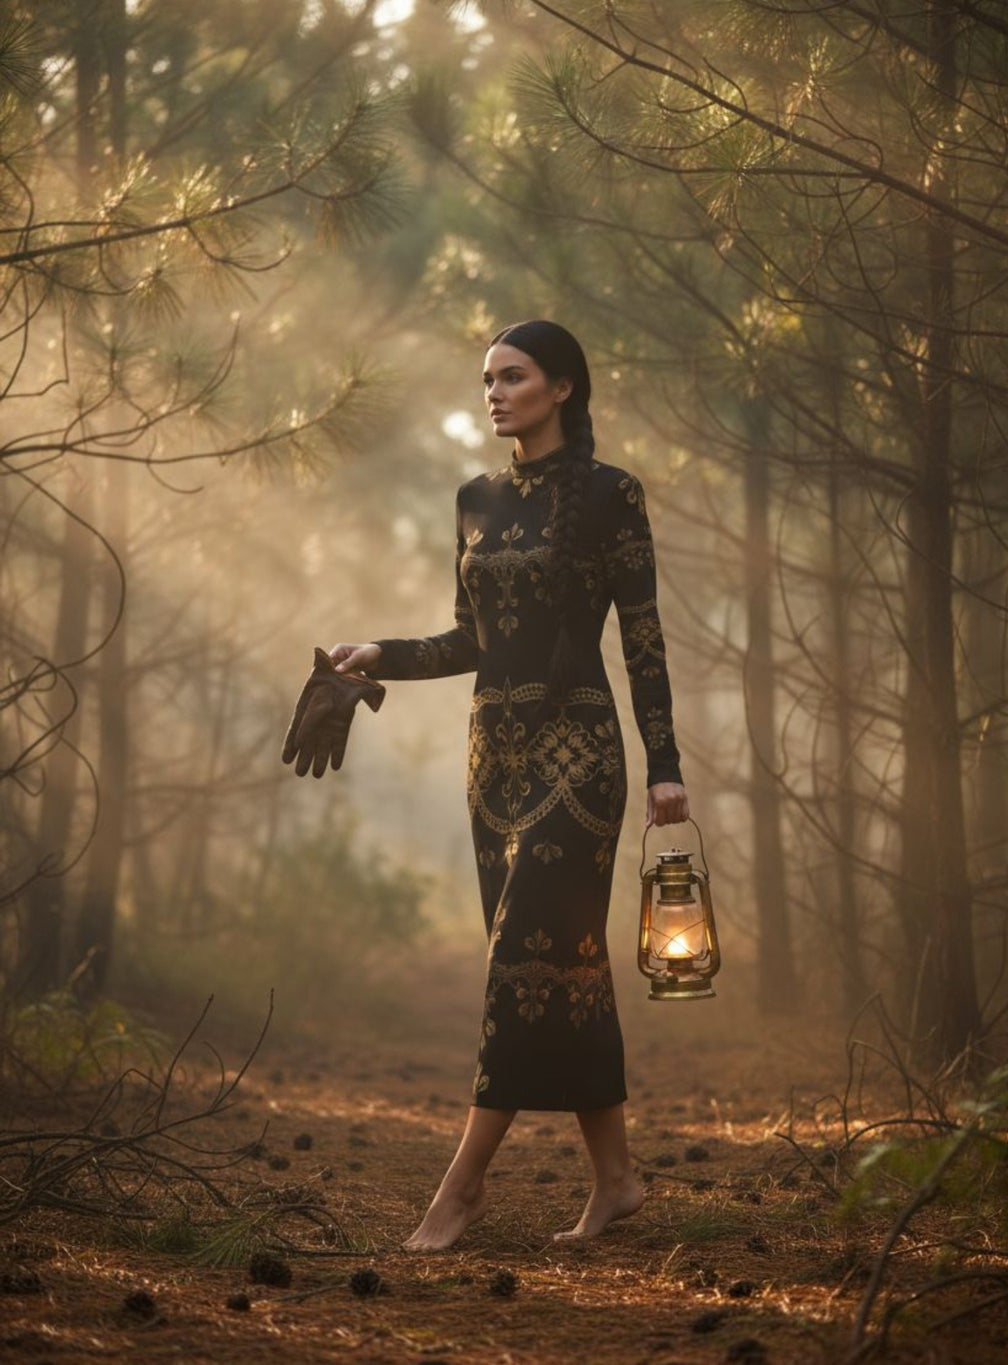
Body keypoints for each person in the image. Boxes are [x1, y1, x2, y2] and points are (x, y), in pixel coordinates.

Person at [330, 320, 688, 1250]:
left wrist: (667, 770)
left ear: (562, 387)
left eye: (513, 377)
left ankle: (461, 1187)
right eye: (487, 379)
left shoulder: (614, 495)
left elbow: (643, 640)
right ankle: (615, 1181)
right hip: (494, 764)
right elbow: (467, 641)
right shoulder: (475, 498)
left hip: (580, 762)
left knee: (519, 960)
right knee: (566, 970)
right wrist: (380, 653)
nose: (494, 392)